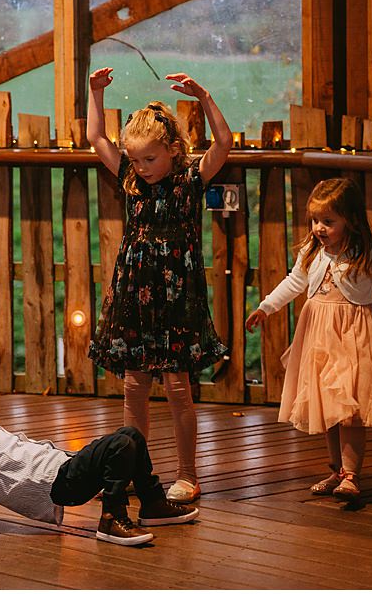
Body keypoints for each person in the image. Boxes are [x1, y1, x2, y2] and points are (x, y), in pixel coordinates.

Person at [85, 67, 233, 503]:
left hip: (176, 299)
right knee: (134, 384)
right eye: (135, 159)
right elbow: (96, 138)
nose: (142, 167)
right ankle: (135, 468)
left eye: (150, 159)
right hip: (134, 294)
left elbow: (223, 143)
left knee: (177, 385)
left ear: (172, 150)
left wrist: (204, 94)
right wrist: (94, 93)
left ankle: (187, 473)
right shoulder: (131, 183)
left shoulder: (190, 181)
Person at [245, 177, 372, 502]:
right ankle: (336, 470)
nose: (319, 227)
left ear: (351, 219)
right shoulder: (311, 251)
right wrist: (266, 307)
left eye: (328, 221)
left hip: (354, 334)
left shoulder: (366, 254)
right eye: (315, 220)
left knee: (350, 408)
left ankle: (352, 474)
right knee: (328, 403)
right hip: (318, 333)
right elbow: (293, 283)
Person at [0, 369, 199, 547]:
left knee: (130, 436)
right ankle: (112, 518)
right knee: (121, 444)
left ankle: (153, 505)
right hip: (58, 483)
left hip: (63, 471)